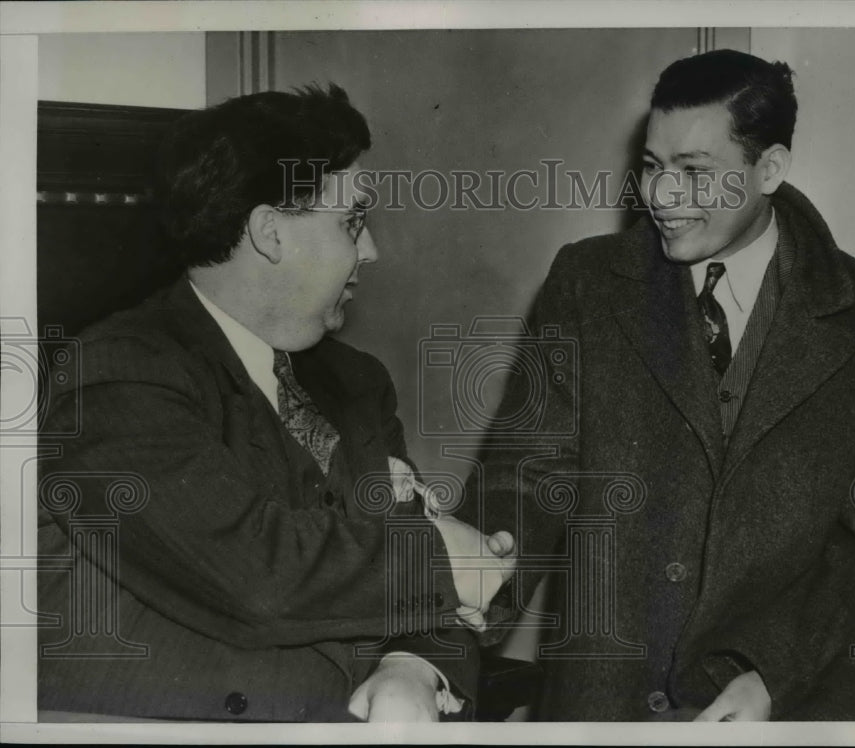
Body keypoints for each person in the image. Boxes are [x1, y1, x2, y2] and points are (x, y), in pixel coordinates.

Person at [460, 50, 855, 721]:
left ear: (769, 169)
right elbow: (525, 476)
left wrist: (769, 674)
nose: (662, 197)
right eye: (654, 167)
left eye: (693, 173)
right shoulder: (586, 282)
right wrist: (458, 600)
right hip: (611, 707)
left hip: (812, 700)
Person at [36, 84, 513, 723]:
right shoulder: (119, 372)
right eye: (353, 221)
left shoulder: (356, 382)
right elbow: (255, 578)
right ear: (269, 233)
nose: (370, 251)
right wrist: (442, 558)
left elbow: (412, 588)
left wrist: (413, 667)